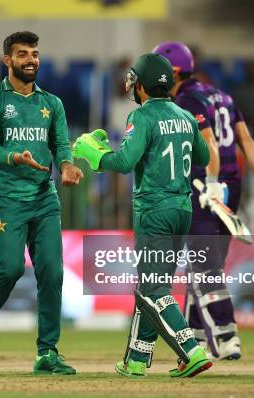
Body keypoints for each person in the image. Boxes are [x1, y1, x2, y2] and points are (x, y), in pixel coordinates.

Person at [73, 53, 212, 378]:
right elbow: (203, 156)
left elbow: (123, 163)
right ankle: (136, 358)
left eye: (134, 80)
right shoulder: (186, 115)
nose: (130, 85)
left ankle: (191, 351)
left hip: (154, 211)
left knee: (152, 289)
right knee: (152, 285)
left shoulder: (142, 116)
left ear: (144, 86)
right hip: (182, 210)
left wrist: (94, 155)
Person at [154, 42, 254, 360]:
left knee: (203, 268)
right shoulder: (222, 95)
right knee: (205, 268)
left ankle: (226, 335)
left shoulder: (186, 99)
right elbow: (245, 139)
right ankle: (196, 340)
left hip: (206, 187)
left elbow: (208, 142)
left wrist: (211, 183)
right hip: (233, 185)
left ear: (173, 71)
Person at [0, 31, 83, 375]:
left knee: (52, 271)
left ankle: (47, 352)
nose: (31, 60)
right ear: (7, 60)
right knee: (10, 269)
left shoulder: (52, 103)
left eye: (34, 54)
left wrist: (68, 165)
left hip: (44, 199)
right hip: (8, 199)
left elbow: (61, 144)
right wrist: (17, 156)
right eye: (23, 54)